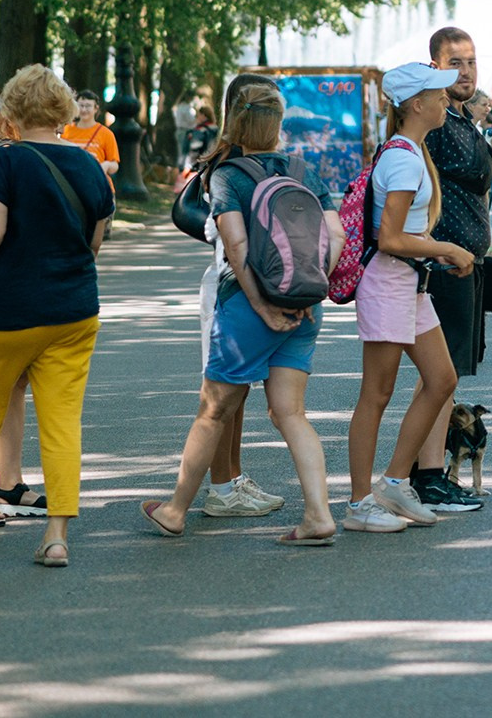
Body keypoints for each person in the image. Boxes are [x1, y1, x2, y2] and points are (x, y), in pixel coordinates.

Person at [140, 84, 342, 545]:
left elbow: (236, 246)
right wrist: (310, 290)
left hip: (246, 308)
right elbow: (336, 234)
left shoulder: (228, 175)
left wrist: (263, 305)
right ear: (277, 123)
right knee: (291, 413)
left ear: (236, 120)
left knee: (213, 411)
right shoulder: (302, 170)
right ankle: (318, 515)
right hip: (305, 308)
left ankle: (174, 510)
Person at [0, 66, 115, 566]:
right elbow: (93, 246)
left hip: (5, 312)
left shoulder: (5, 164)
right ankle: (55, 537)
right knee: (61, 424)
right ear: (63, 110)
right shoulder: (90, 167)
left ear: (10, 114)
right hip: (74, 312)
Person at [342, 61, 473, 533]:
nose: (445, 100)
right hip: (389, 283)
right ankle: (360, 503)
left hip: (408, 283)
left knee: (442, 379)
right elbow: (391, 237)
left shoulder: (410, 150)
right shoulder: (402, 158)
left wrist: (436, 255)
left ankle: (396, 482)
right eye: (437, 95)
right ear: (415, 104)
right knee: (375, 395)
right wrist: (447, 249)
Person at [415, 27, 490, 514]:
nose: (465, 71)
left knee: (448, 377)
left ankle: (430, 474)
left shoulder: (460, 116)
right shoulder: (436, 118)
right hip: (445, 259)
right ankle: (427, 476)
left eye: (471, 61)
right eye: (454, 62)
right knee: (439, 378)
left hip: (467, 259)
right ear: (436, 67)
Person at [59, 89, 119, 181]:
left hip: (97, 183)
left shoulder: (106, 133)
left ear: (96, 108)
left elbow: (115, 165)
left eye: (88, 106)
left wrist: (106, 165)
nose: (84, 110)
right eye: (81, 106)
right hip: (72, 184)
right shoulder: (66, 130)